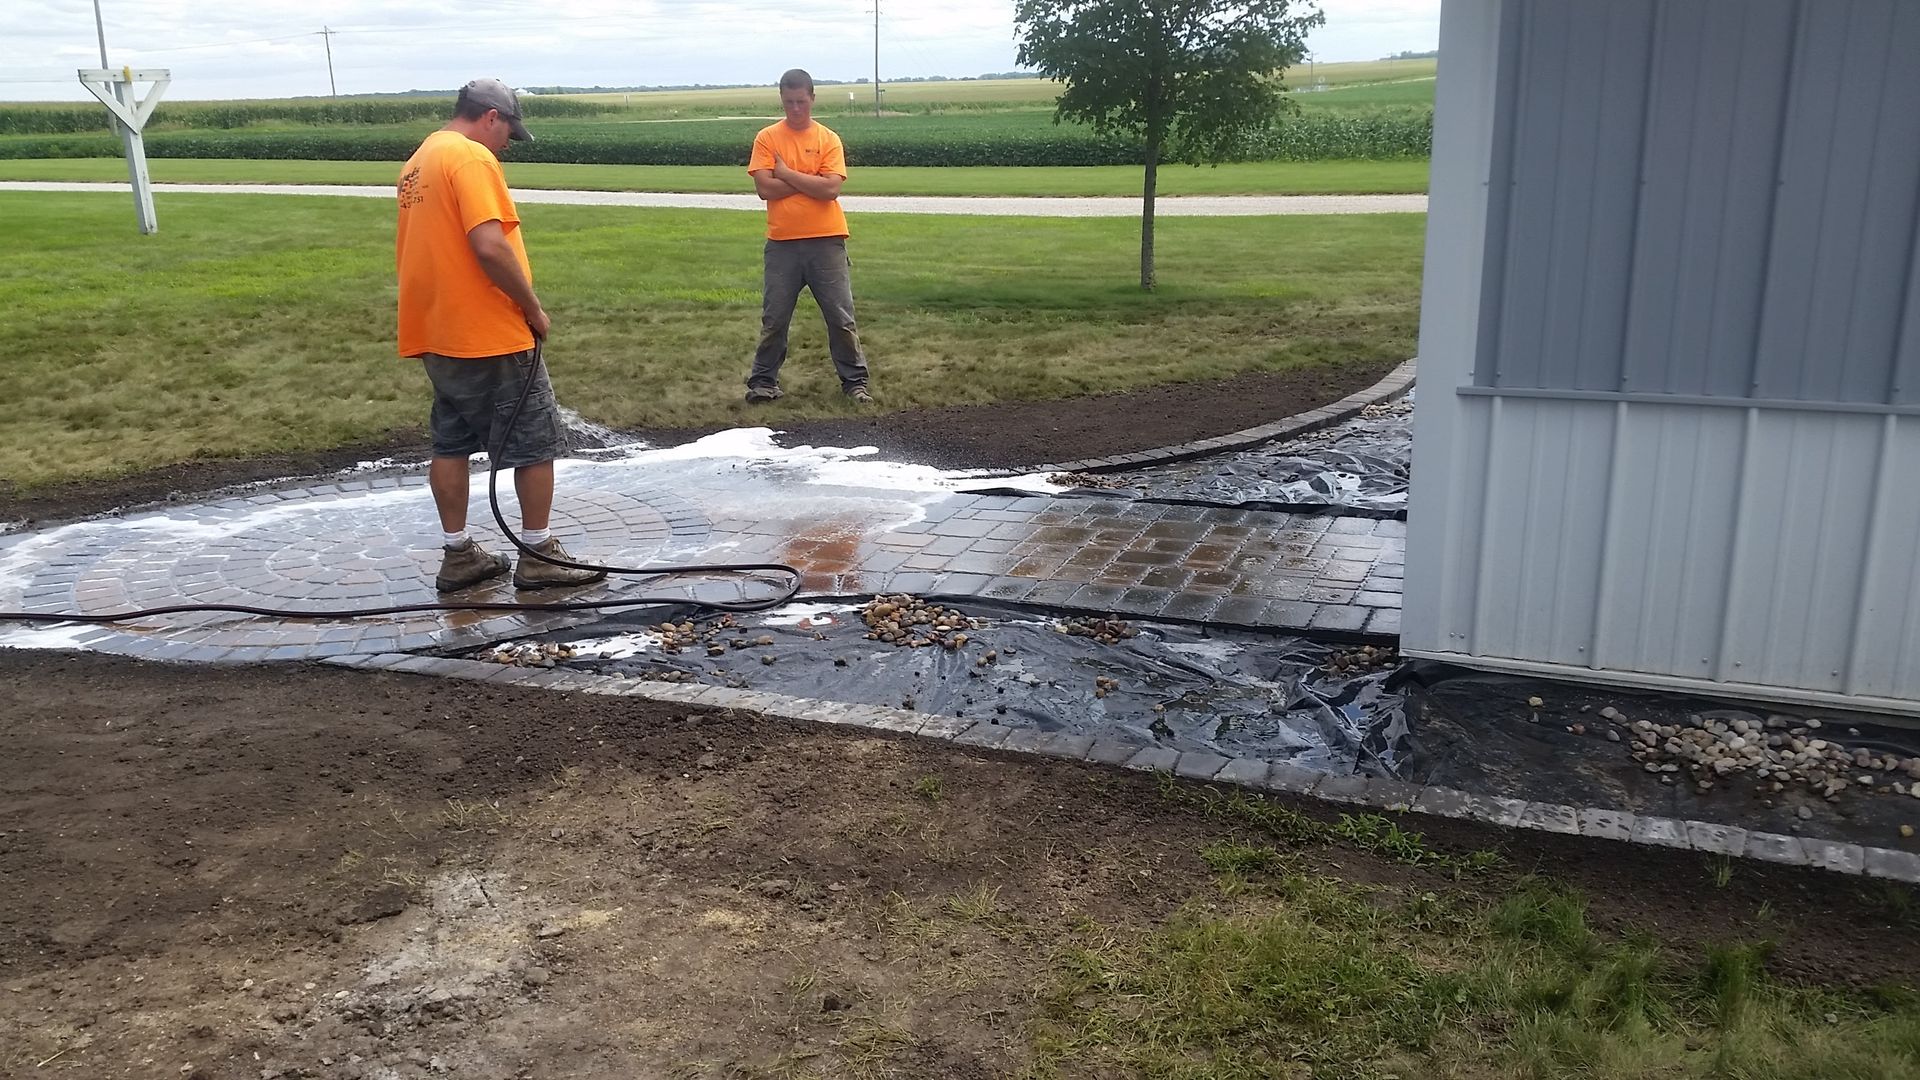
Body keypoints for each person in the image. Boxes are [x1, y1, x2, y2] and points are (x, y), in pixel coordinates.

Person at [395, 77, 605, 593]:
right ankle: (539, 555)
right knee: (534, 442)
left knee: (451, 442)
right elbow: (488, 245)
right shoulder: (470, 158)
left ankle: (459, 555)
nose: (508, 142)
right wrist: (532, 308)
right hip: (488, 331)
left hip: (436, 328)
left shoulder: (420, 158)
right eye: (509, 129)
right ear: (491, 116)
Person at [743, 68, 874, 405]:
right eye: (789, 102)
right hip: (782, 243)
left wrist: (785, 174)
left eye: (801, 101)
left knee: (841, 318)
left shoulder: (827, 139)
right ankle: (763, 382)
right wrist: (806, 179)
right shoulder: (767, 138)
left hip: (827, 241)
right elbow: (764, 189)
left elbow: (831, 190)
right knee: (774, 318)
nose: (796, 109)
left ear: (812, 98)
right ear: (782, 100)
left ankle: (855, 384)